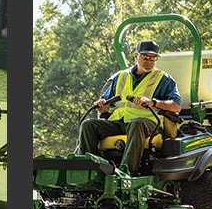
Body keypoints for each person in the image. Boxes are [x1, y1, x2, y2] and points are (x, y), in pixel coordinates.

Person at [77, 39, 182, 175]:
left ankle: (126, 172)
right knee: (88, 125)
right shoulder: (120, 77)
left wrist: (153, 102)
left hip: (147, 124)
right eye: (145, 57)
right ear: (136, 56)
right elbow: (105, 107)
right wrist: (101, 105)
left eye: (153, 58)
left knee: (136, 124)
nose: (149, 61)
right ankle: (85, 170)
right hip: (119, 122)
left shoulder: (164, 79)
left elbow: (176, 106)